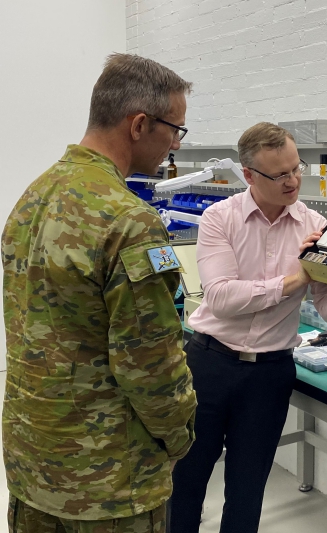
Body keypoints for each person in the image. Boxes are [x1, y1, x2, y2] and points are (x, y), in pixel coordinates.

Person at [2, 54, 197, 532]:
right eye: (175, 130)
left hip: (32, 461)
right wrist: (179, 435)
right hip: (108, 482)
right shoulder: (131, 221)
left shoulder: (34, 195)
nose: (175, 144)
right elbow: (150, 363)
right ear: (139, 125)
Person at [170, 122, 327, 533]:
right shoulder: (220, 218)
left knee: (248, 489)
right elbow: (221, 297)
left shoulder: (314, 225)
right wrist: (296, 278)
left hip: (269, 375)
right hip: (209, 365)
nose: (293, 181)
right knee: (185, 481)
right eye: (280, 174)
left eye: (296, 168)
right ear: (249, 175)